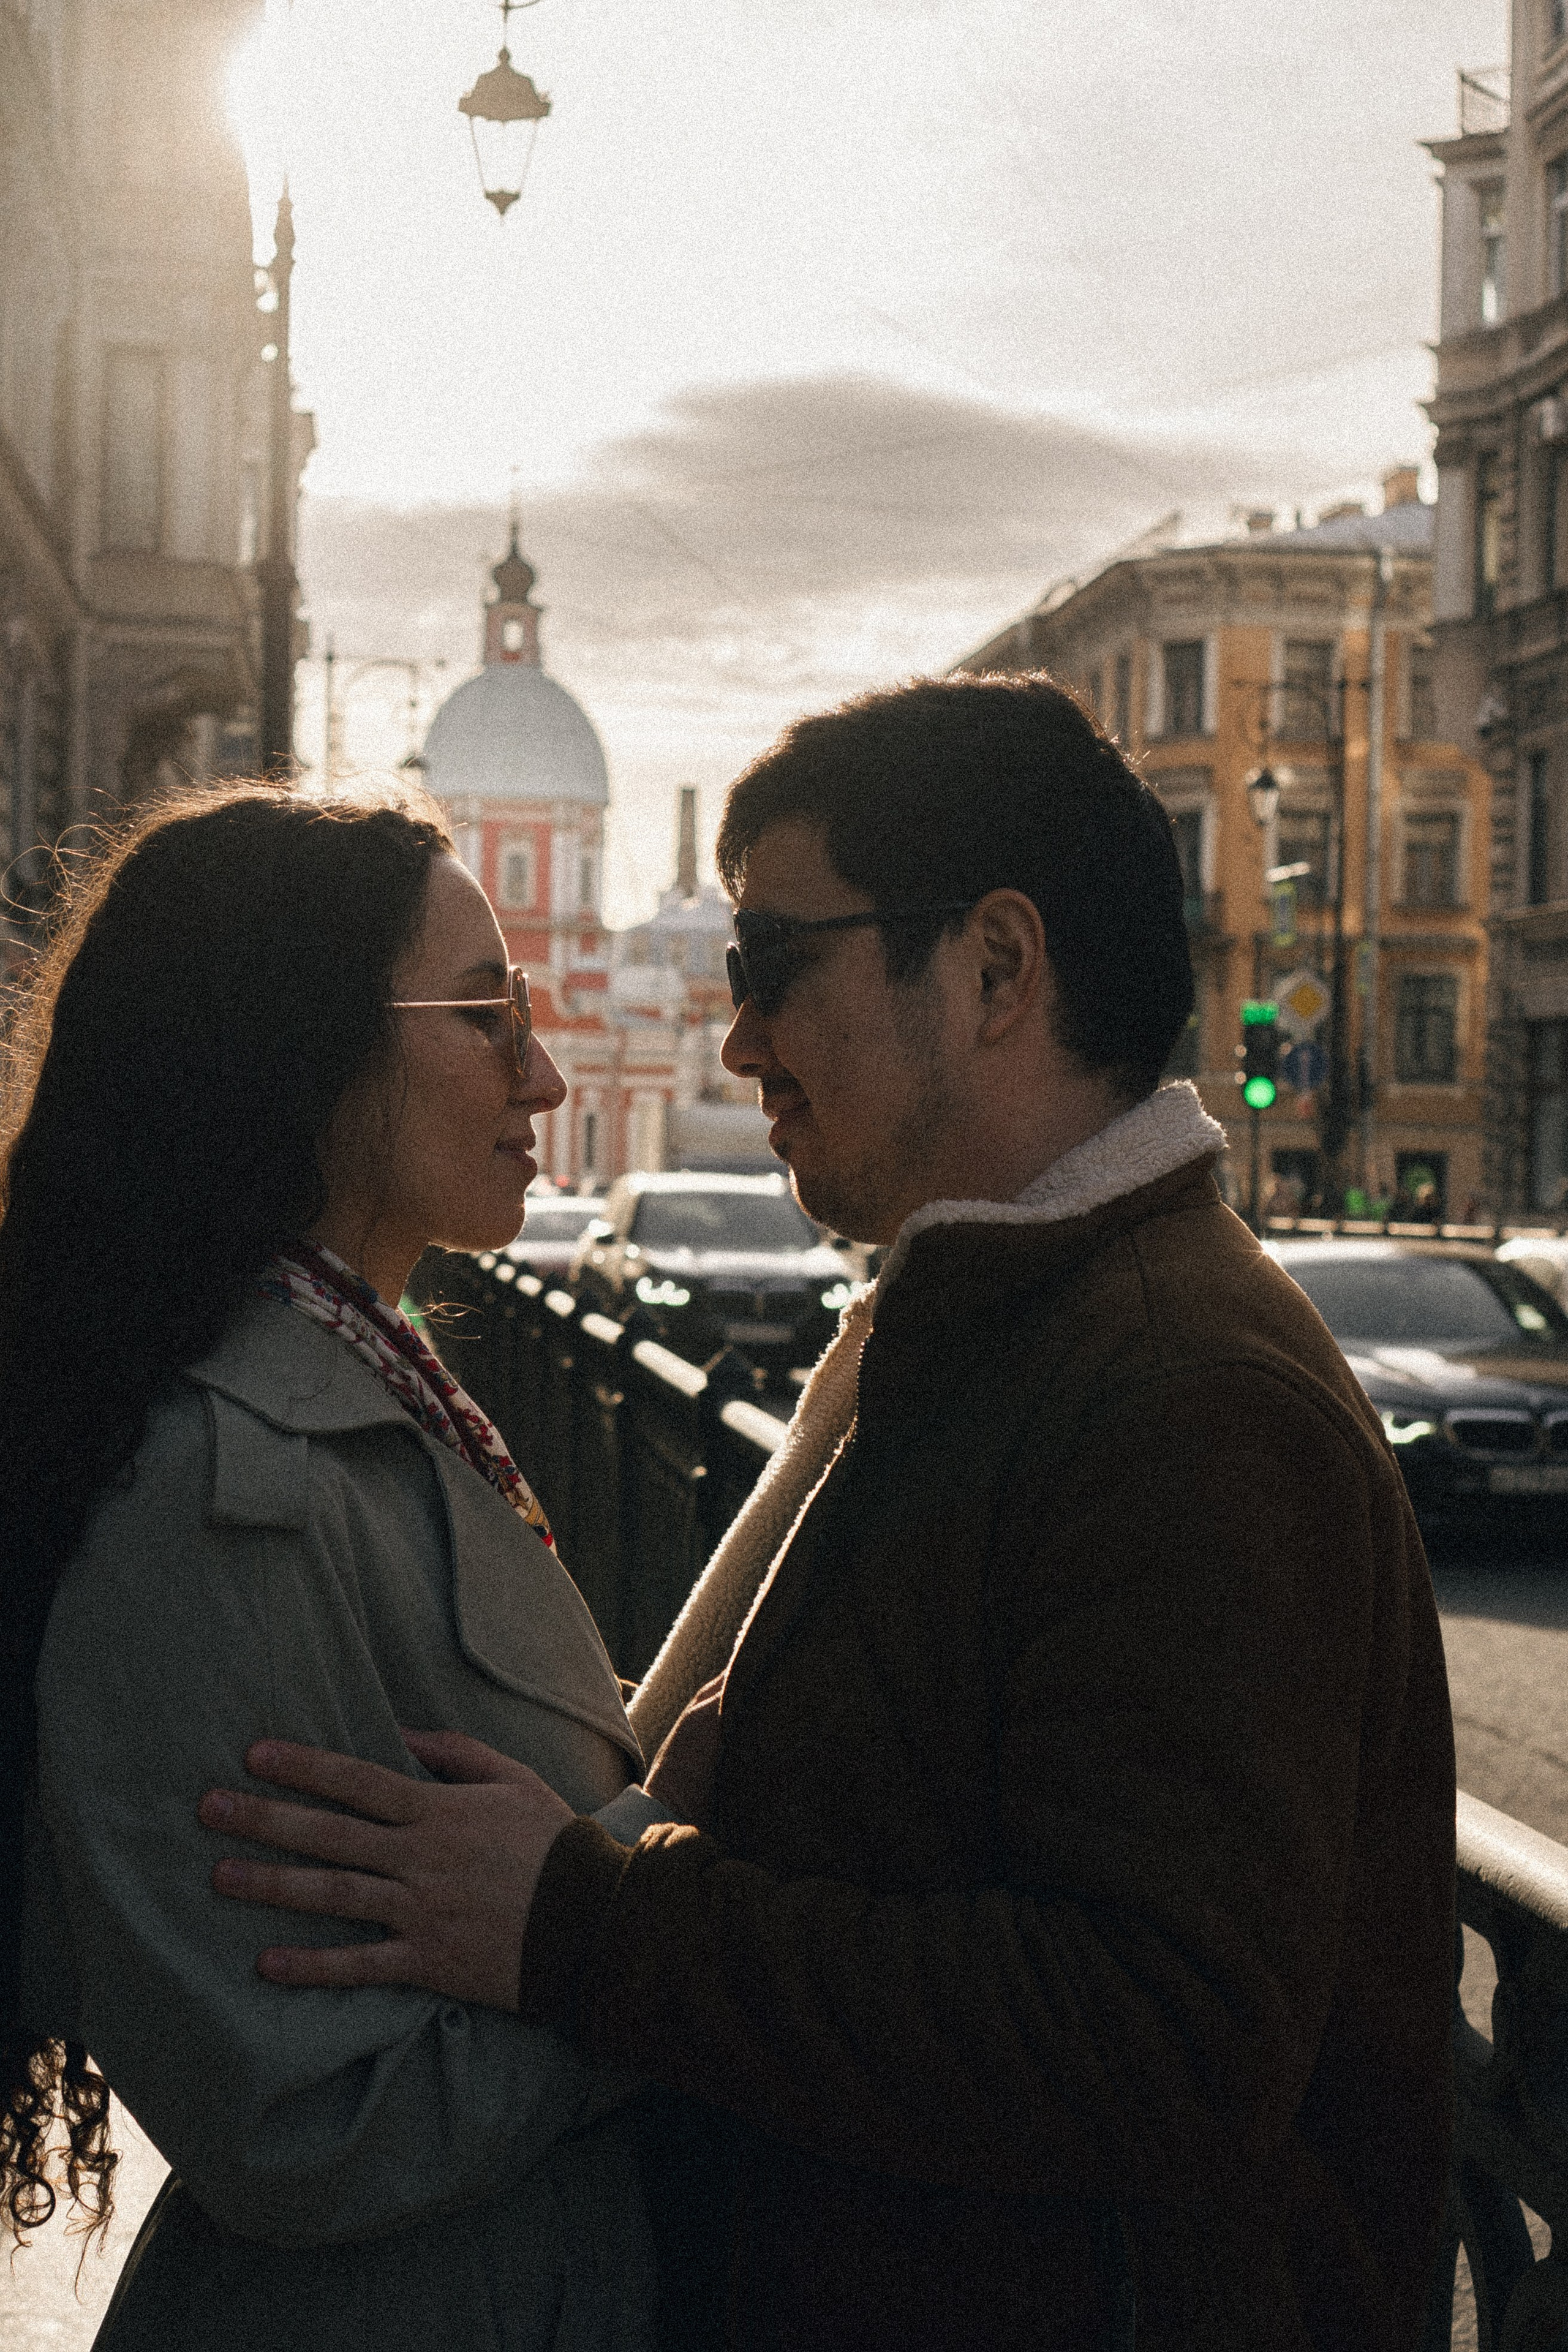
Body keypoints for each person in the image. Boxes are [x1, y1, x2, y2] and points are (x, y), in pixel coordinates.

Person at [205, 679, 1458, 2352]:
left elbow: (1160, 2043)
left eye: (774, 963)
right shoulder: (1023, 1327)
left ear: (996, 969)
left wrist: (583, 1921)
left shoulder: (1185, 1390)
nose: (736, 1041)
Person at [2, 782, 666, 2350]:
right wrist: (650, 1930)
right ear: (311, 1049)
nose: (544, 1074)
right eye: (485, 1018)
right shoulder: (219, 1488)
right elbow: (308, 2117)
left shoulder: (348, 1395)